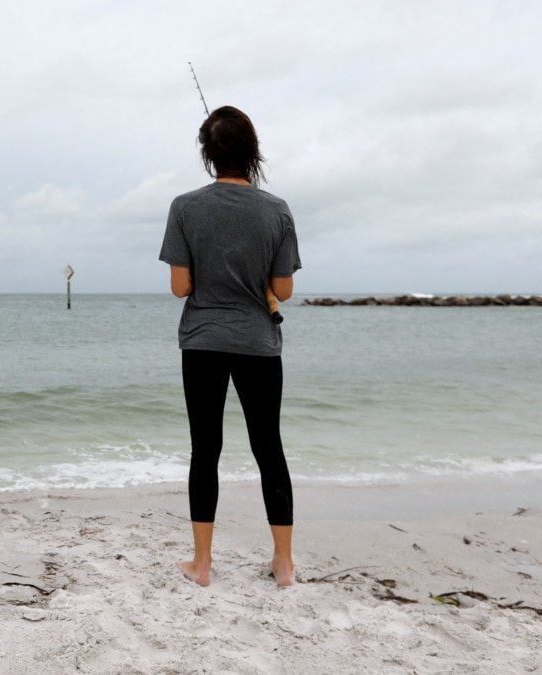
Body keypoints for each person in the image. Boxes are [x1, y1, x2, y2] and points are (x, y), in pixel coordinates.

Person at [158, 106, 301, 587]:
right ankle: (283, 563)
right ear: (252, 151)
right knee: (269, 449)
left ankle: (201, 565)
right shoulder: (277, 210)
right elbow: (282, 291)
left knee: (206, 449)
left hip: (201, 341)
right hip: (259, 343)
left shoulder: (185, 207)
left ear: (208, 153)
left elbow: (181, 287)